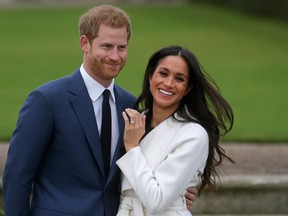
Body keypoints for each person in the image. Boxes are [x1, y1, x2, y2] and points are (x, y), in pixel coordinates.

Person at [2, 5, 196, 216]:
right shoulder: (47, 100)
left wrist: (177, 192)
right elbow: (17, 176)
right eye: (107, 46)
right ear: (85, 43)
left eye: (121, 47)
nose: (115, 56)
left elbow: (144, 166)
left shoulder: (131, 106)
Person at [116, 45, 234, 215]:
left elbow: (156, 201)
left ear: (188, 88)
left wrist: (133, 148)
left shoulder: (193, 135)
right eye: (163, 73)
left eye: (179, 79)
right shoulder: (134, 122)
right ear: (151, 76)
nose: (169, 83)